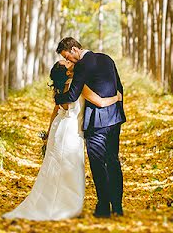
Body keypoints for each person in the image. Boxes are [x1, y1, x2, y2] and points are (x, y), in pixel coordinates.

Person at [3, 59, 121, 220]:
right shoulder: (77, 84)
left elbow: (55, 112)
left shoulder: (61, 87)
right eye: (66, 62)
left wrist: (48, 134)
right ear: (67, 72)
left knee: (54, 166)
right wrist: (116, 98)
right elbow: (99, 102)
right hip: (71, 130)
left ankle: (53, 201)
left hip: (59, 128)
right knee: (69, 168)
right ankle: (66, 205)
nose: (69, 61)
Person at [54, 37, 126, 217]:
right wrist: (117, 108)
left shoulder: (82, 65)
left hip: (96, 122)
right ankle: (117, 207)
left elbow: (72, 95)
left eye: (67, 57)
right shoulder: (107, 58)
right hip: (114, 118)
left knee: (98, 164)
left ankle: (103, 207)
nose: (68, 61)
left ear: (73, 50)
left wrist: (56, 98)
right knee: (113, 161)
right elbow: (120, 88)